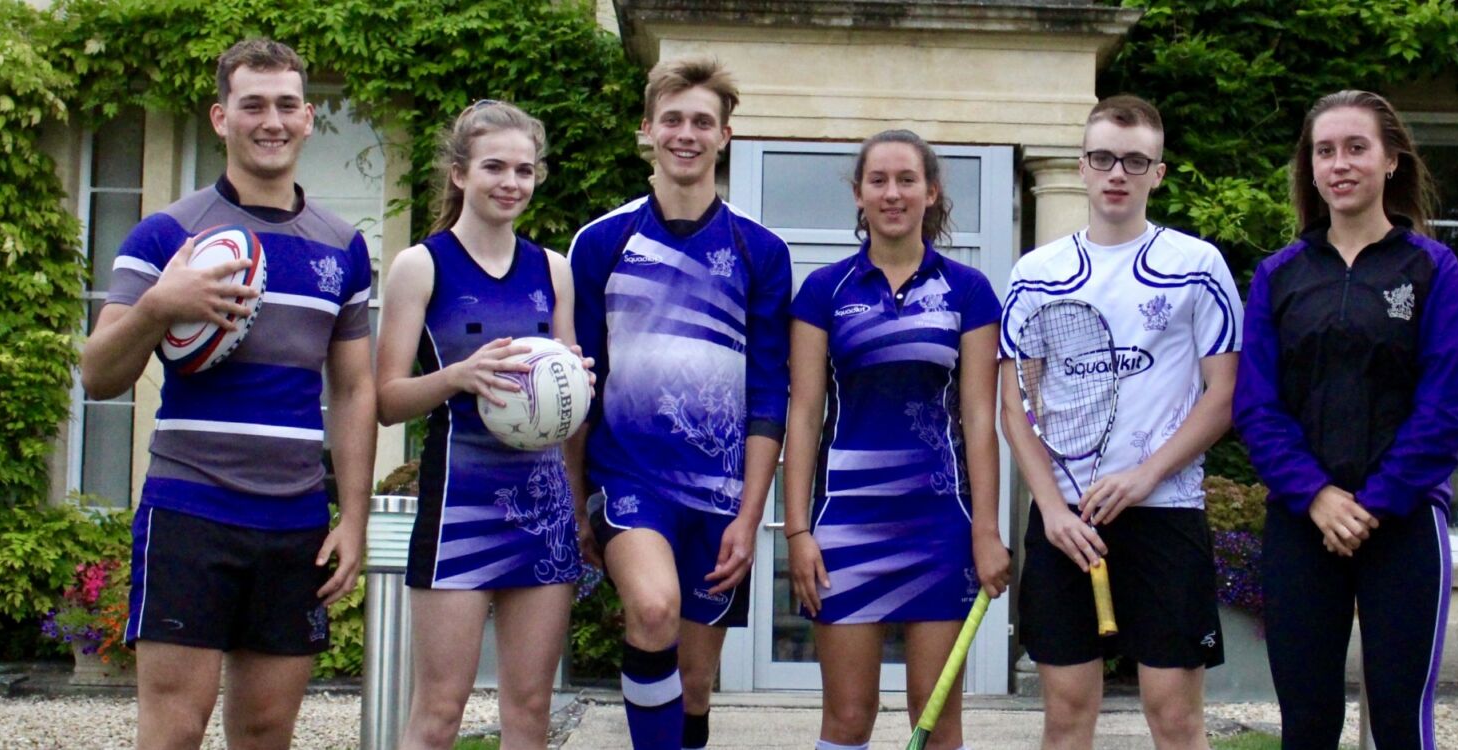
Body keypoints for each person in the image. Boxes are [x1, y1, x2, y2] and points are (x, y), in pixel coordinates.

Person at [79, 38, 374, 750]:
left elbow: (356, 386)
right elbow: (98, 374)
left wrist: (354, 518)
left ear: (308, 118)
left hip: (295, 522)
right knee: (175, 730)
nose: (270, 121)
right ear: (220, 117)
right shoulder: (168, 235)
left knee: (268, 731)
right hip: (192, 510)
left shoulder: (342, 246)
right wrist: (158, 304)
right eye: (252, 105)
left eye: (285, 105)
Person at [1232, 90, 1458, 750]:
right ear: (1310, 169)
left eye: (1356, 148)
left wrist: (1373, 503)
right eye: (1325, 151)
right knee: (1308, 722)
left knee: (1400, 720)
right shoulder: (1279, 275)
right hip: (1301, 524)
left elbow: (1451, 402)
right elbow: (1256, 405)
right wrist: (1315, 496)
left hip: (1401, 524)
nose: (1340, 163)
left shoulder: (1432, 267)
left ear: (1391, 160)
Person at [998, 94, 1243, 750]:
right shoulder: (1034, 275)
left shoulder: (1198, 268)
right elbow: (1018, 405)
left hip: (1165, 513)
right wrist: (1050, 510)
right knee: (1067, 716)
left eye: (1135, 161)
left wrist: (1143, 476)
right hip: (1064, 524)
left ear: (1157, 174)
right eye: (1103, 157)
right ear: (1081, 165)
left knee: (1174, 717)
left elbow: (1222, 397)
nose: (1117, 173)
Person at [568, 57, 792, 750]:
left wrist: (752, 514)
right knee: (655, 609)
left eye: (702, 121)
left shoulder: (761, 250)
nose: (686, 134)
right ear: (647, 129)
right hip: (629, 479)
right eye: (673, 120)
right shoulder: (602, 242)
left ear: (726, 135)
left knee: (694, 685)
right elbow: (577, 382)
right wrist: (576, 498)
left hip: (722, 494)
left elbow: (767, 393)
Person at [373, 99, 594, 749]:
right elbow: (385, 399)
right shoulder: (422, 266)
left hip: (543, 510)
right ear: (461, 174)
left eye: (524, 171)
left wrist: (579, 384)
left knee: (530, 711)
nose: (510, 182)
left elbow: (568, 403)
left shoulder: (553, 270)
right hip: (459, 509)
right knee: (439, 711)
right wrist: (456, 377)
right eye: (495, 167)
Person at [782, 130, 1010, 750]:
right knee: (848, 719)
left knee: (935, 724)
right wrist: (797, 531)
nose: (892, 193)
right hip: (846, 527)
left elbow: (977, 422)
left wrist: (986, 531)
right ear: (858, 194)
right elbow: (803, 415)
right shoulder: (823, 291)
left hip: (940, 527)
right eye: (877, 180)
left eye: (906, 180)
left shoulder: (968, 291)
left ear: (931, 192)